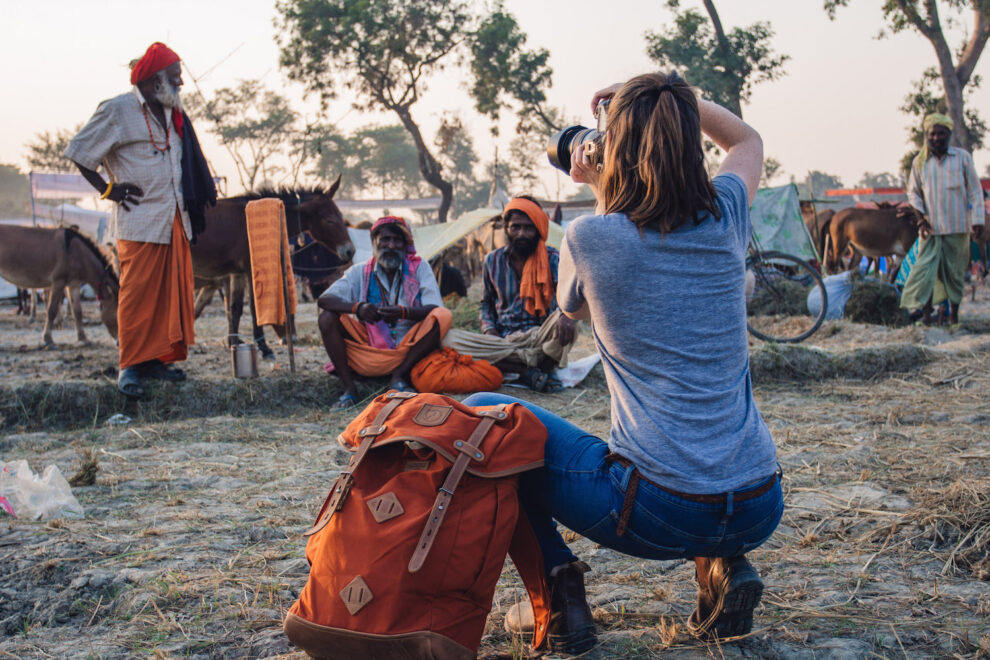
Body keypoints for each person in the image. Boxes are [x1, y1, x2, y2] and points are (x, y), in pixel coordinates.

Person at [463, 72, 782, 655]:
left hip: (660, 512)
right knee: (698, 445)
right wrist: (678, 99)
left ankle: (558, 598)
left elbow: (574, 309)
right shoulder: (728, 214)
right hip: (760, 500)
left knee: (484, 415)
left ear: (612, 155)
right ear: (689, 141)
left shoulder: (590, 237)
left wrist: (599, 181)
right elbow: (747, 142)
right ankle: (723, 567)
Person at [65, 42, 216, 398]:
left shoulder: (171, 114)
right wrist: (108, 189)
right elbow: (80, 151)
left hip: (174, 218)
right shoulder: (118, 110)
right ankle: (128, 366)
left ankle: (155, 360)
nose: (181, 85)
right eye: (176, 79)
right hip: (139, 220)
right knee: (135, 296)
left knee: (168, 296)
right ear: (154, 80)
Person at [443, 196, 577, 392]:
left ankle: (543, 366)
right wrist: (491, 334)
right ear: (506, 228)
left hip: (540, 339)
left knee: (570, 317)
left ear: (538, 228)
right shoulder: (492, 260)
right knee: (448, 340)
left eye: (528, 227)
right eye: (516, 227)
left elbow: (566, 297)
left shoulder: (554, 258)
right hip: (503, 342)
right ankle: (527, 372)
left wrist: (566, 316)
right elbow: (486, 304)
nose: (521, 233)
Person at [318, 216, 452, 408]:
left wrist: (403, 312)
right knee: (327, 318)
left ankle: (399, 376)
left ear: (405, 245)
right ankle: (350, 390)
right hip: (369, 348)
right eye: (385, 240)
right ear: (374, 243)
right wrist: (358, 308)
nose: (391, 246)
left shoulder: (419, 267)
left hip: (410, 347)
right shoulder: (359, 272)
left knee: (443, 316)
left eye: (397, 240)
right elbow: (324, 300)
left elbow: (435, 308)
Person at [900, 113, 985, 326]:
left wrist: (977, 220)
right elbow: (913, 193)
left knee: (954, 275)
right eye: (932, 134)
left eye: (941, 134)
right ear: (927, 136)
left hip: (958, 227)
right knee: (926, 272)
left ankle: (953, 315)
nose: (936, 138)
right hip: (930, 229)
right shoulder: (919, 162)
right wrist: (921, 219)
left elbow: (975, 191)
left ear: (949, 135)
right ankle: (927, 316)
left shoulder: (963, 158)